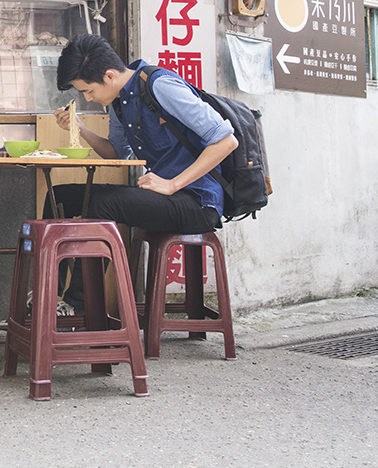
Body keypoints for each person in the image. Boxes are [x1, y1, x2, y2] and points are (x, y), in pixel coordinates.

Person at [52, 33, 238, 312]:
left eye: (88, 90)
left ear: (110, 75)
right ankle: (49, 294)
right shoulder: (117, 102)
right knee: (61, 197)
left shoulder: (161, 87)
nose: (88, 97)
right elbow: (117, 154)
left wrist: (173, 184)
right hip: (165, 196)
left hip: (198, 201)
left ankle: (77, 306)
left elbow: (226, 140)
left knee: (105, 203)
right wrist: (79, 128)